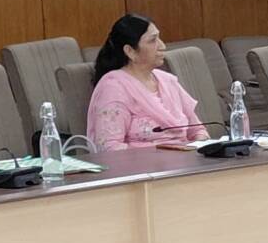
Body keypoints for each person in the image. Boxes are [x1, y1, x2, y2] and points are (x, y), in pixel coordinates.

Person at [85, 13, 203, 151]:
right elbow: (109, 148)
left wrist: (202, 145)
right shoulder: (113, 88)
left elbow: (198, 130)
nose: (162, 46)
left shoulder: (168, 81)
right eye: (153, 40)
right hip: (143, 163)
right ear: (130, 51)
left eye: (159, 38)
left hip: (186, 160)